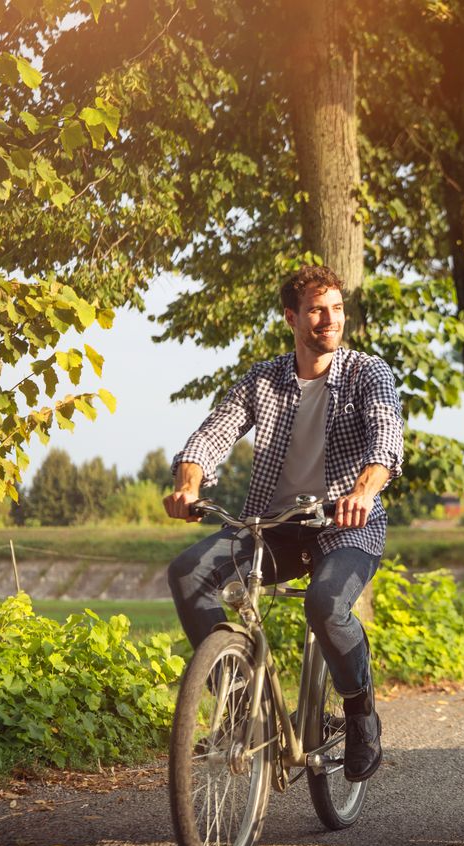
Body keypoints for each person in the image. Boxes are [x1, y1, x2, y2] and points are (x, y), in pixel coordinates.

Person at [164, 264, 404, 783]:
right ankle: (239, 706)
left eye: (336, 308)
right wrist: (189, 483)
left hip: (348, 526)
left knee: (325, 603)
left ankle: (362, 716)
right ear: (292, 317)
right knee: (187, 572)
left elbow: (386, 441)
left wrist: (362, 493)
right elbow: (213, 434)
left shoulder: (368, 373)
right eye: (317, 310)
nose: (329, 319)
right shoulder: (264, 379)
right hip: (272, 528)